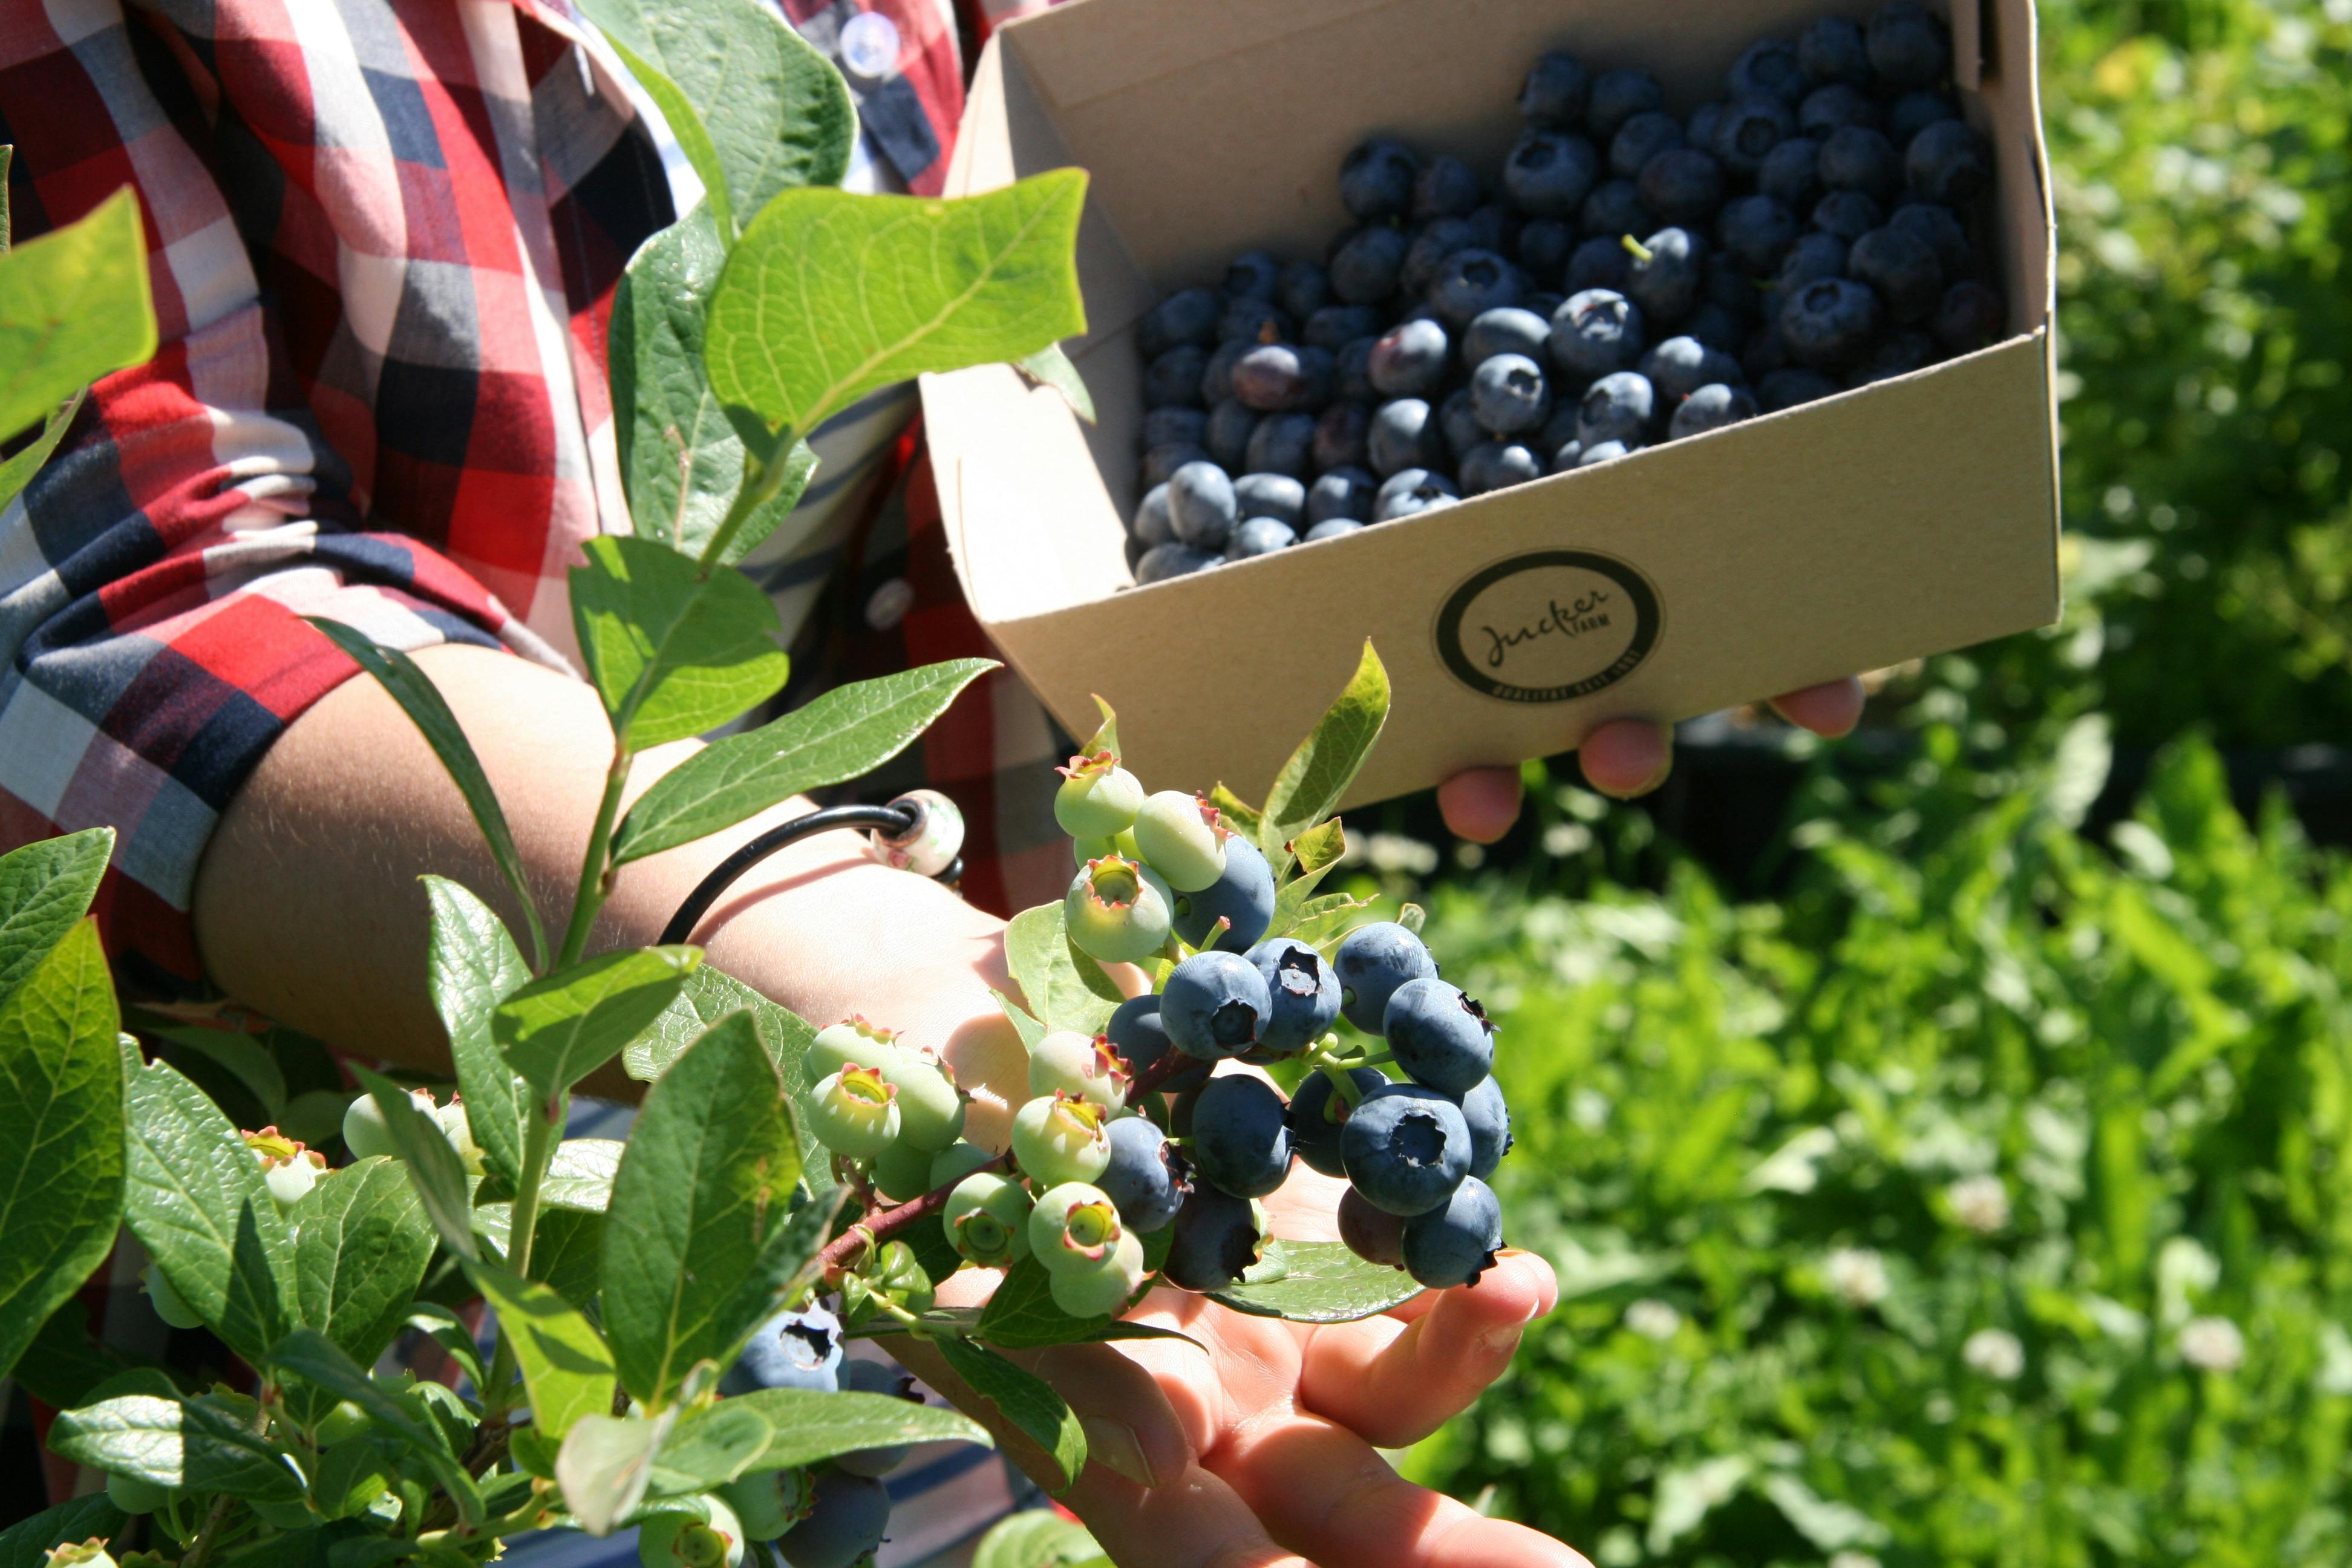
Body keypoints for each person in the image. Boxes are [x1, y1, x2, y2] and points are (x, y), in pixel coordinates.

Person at [0, 2, 1854, 1561]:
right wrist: (856, 963)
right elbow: (113, 590)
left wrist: (1521, 555)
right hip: (352, 1366)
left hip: (973, 1325)